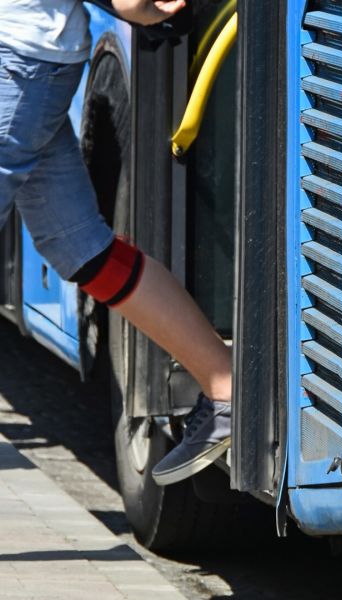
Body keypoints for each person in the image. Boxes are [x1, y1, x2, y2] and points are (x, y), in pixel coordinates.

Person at [0, 0, 230, 486]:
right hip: (30, 60)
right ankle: (224, 383)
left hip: (18, 59)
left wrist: (136, 6)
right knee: (85, 251)